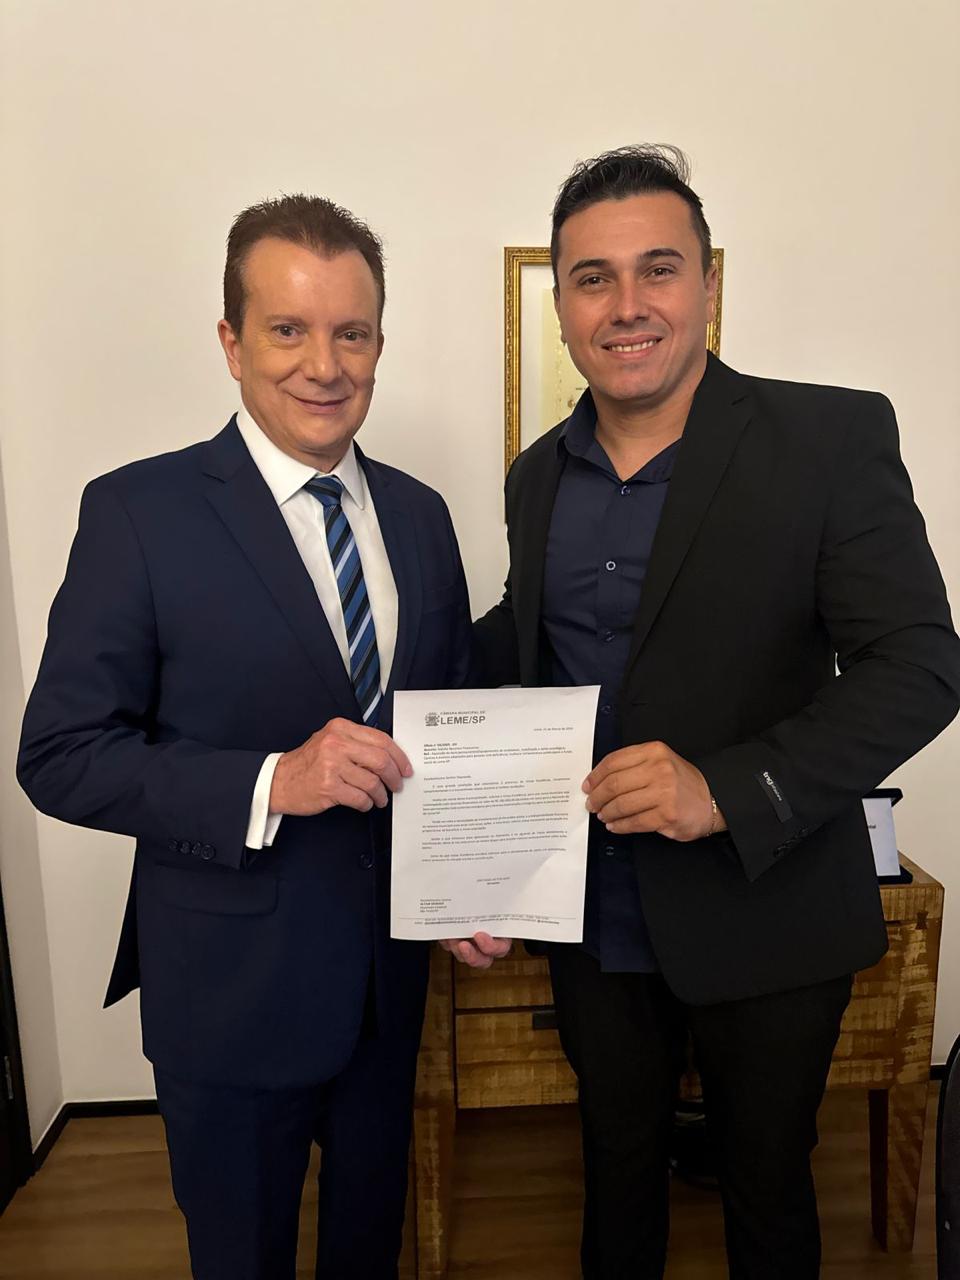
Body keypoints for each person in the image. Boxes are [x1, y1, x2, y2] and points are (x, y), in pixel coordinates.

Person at [463, 146, 960, 1278]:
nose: (627, 304)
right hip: (591, 913)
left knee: (768, 1182)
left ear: (708, 283)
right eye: (592, 278)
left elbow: (921, 663)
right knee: (613, 1167)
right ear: (561, 305)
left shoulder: (828, 440)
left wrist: (724, 790)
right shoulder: (536, 475)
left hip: (768, 902)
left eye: (658, 268)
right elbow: (529, 651)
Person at [18, 194, 471, 1280]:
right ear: (231, 343)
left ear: (379, 342)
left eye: (352, 332)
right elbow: (60, 754)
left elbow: (442, 726)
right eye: (288, 330)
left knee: (368, 1251)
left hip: (387, 991)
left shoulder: (421, 515)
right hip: (228, 994)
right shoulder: (138, 513)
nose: (325, 364)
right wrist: (273, 781)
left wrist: (465, 885)